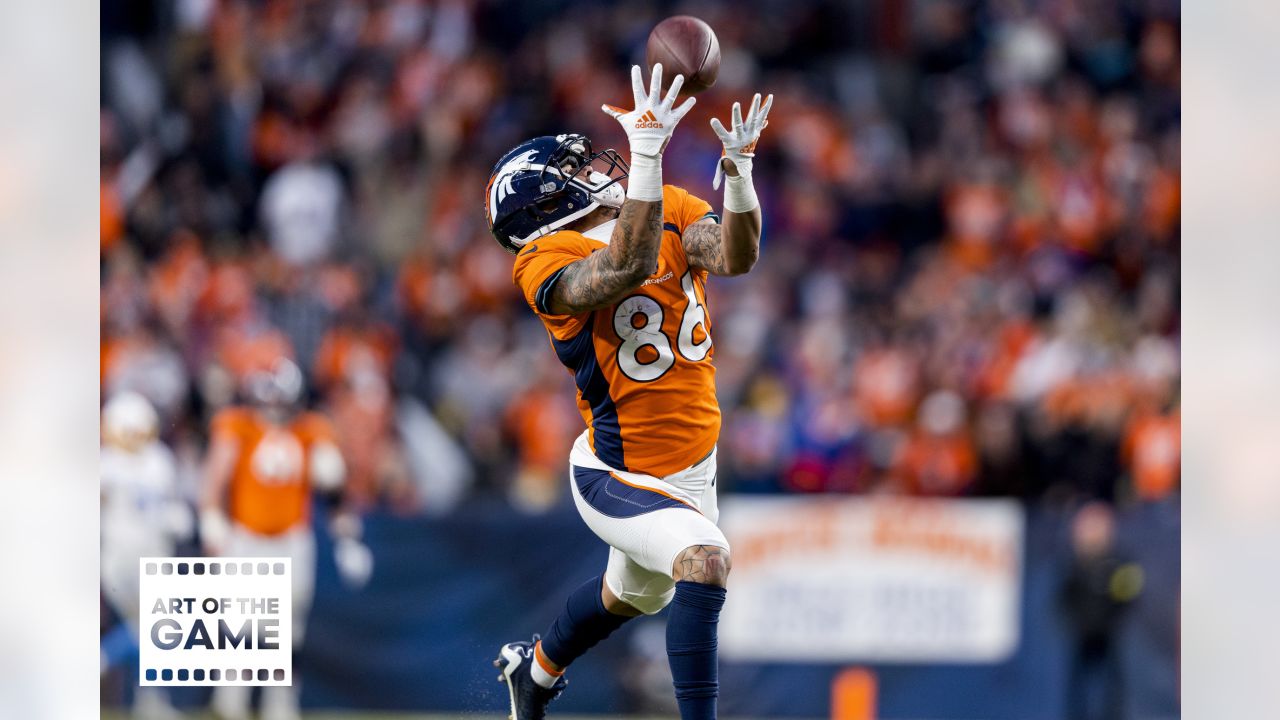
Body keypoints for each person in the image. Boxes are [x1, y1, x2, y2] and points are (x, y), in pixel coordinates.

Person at [485, 63, 772, 720]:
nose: (598, 172)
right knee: (703, 560)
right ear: (546, 202)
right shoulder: (541, 262)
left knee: (635, 595)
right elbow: (624, 265)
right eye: (577, 172)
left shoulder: (666, 203)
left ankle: (533, 674)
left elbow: (735, 254)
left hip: (694, 463)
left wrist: (738, 176)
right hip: (617, 470)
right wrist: (645, 155)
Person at [199, 357, 366, 720]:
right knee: (240, 626)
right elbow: (216, 475)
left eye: (280, 399)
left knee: (286, 632)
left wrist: (347, 537)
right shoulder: (238, 425)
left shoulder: (311, 429)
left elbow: (334, 487)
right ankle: (231, 704)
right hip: (246, 539)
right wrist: (211, 517)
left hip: (291, 540)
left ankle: (281, 706)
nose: (274, 407)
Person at [100, 391, 191, 720]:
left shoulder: (159, 460)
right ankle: (101, 659)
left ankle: (149, 702)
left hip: (155, 554)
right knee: (151, 626)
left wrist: (176, 516)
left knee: (155, 631)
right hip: (121, 555)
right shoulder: (106, 463)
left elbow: (172, 503)